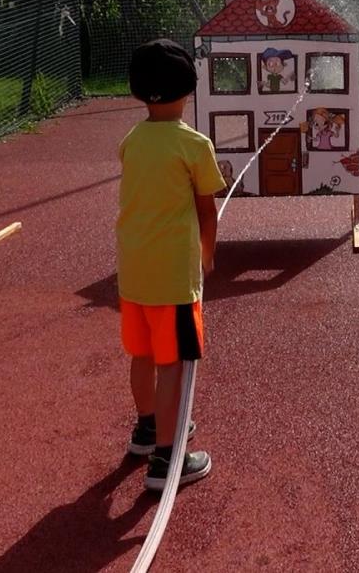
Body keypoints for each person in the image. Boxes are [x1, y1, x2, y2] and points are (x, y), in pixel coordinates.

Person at [117, 38, 224, 490]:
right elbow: (207, 210)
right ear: (188, 91)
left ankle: (146, 428)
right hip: (173, 280)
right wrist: (208, 254)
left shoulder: (132, 141)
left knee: (142, 355)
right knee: (174, 364)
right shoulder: (194, 145)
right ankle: (167, 459)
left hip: (135, 273)